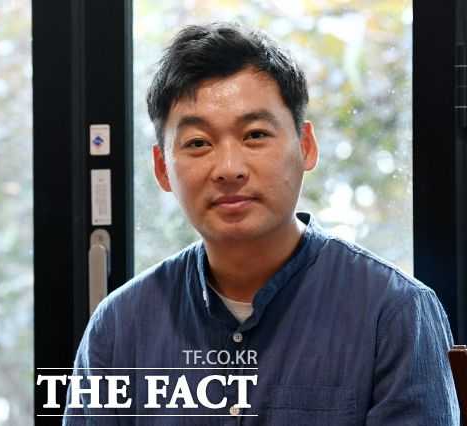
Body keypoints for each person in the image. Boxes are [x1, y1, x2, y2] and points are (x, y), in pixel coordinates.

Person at [63, 23, 459, 424]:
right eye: (198, 143)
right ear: (162, 168)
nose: (229, 168)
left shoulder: (394, 313)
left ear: (306, 147)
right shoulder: (119, 327)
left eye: (254, 135)